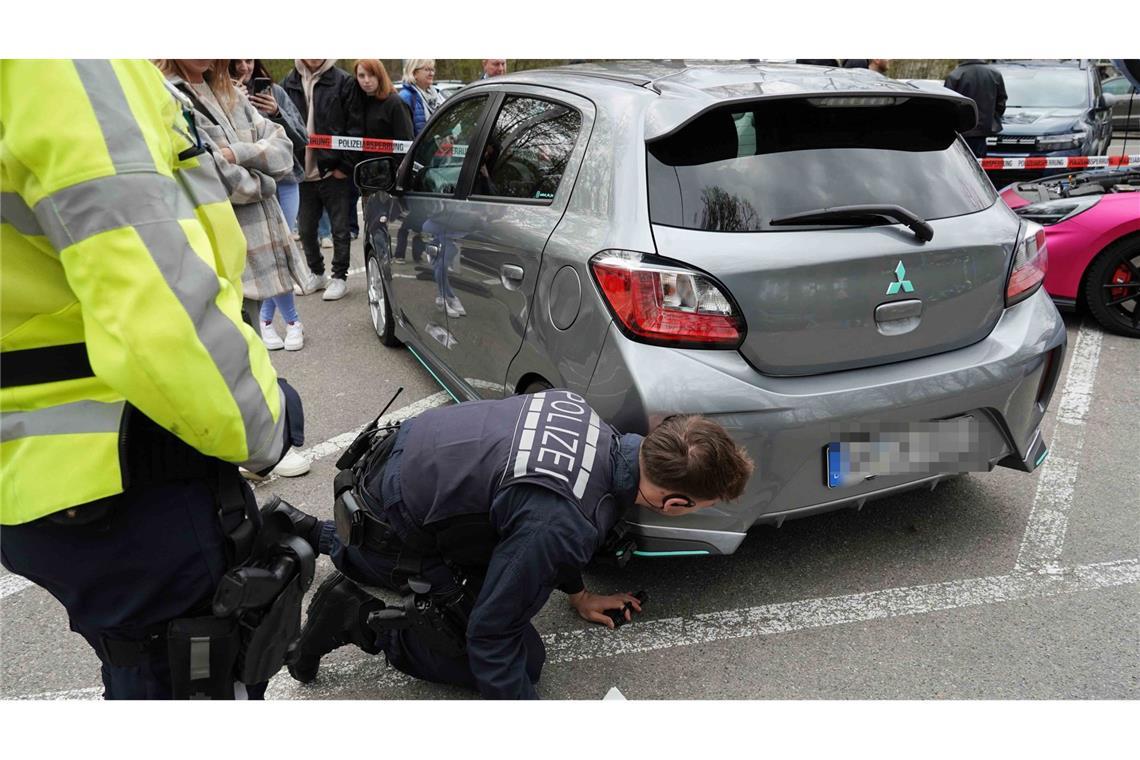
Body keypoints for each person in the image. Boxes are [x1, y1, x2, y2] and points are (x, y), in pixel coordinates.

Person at [0, 59, 305, 699]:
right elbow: (157, 305)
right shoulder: (71, 58)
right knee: (184, 677)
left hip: (38, 468)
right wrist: (266, 420)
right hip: (125, 469)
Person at [277, 392, 754, 699]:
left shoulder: (586, 416)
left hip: (390, 470)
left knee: (499, 546)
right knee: (522, 658)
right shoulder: (566, 522)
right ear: (672, 502)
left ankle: (304, 529)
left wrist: (577, 593)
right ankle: (356, 618)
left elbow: (547, 517)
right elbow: (492, 635)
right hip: (393, 518)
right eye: (699, 505)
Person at [281, 59, 361, 301]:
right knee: (305, 230)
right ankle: (317, 273)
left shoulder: (343, 81)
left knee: (339, 228)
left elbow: (355, 127)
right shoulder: (289, 82)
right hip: (302, 172)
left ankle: (339, 277)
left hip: (333, 170)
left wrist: (345, 166)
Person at [349, 60, 414, 243]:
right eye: (361, 76)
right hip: (367, 181)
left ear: (381, 76)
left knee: (386, 234)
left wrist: (399, 183)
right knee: (372, 234)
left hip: (389, 183)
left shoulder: (395, 104)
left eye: (371, 75)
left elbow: (406, 146)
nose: (366, 80)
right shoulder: (360, 103)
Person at [944, 59, 1008, 157]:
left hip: (960, 131)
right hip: (983, 131)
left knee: (961, 163)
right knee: (978, 165)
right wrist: (992, 118)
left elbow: (947, 104)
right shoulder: (995, 74)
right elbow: (1001, 102)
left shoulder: (955, 75)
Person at [399, 59, 444, 136]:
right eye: (427, 70)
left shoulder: (436, 95)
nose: (432, 73)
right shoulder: (406, 97)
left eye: (432, 69)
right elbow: (404, 134)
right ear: (414, 73)